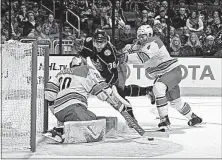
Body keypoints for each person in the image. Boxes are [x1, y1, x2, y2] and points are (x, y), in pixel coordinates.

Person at [123, 25, 202, 130]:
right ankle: (193, 117)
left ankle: (164, 120)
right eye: (139, 36)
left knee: (158, 88)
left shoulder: (154, 42)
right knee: (176, 103)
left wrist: (123, 56)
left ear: (150, 35)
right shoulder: (143, 44)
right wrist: (130, 47)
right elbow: (136, 47)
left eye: (144, 36)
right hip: (165, 74)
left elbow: (141, 57)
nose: (141, 38)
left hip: (171, 71)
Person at [44, 54, 131, 142]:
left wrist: (54, 110)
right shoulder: (87, 70)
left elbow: (49, 93)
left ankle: (64, 126)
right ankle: (61, 132)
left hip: (59, 112)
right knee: (91, 126)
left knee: (92, 116)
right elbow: (102, 90)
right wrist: (115, 101)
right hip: (74, 107)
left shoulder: (60, 73)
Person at [79, 29, 153, 124]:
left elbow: (113, 74)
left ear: (106, 41)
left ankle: (131, 118)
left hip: (118, 70)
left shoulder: (108, 52)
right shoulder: (88, 42)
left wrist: (109, 85)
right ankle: (148, 90)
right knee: (118, 92)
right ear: (93, 40)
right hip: (104, 71)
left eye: (102, 43)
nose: (99, 46)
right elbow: (83, 55)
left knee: (118, 94)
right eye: (97, 43)